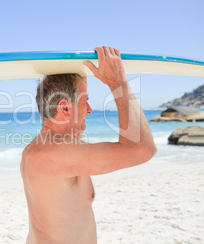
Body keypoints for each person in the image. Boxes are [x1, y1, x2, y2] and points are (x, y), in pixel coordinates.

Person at [20, 46, 157, 243]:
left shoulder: (35, 149)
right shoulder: (57, 152)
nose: (90, 110)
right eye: (86, 101)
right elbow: (142, 149)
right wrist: (118, 83)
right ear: (65, 107)